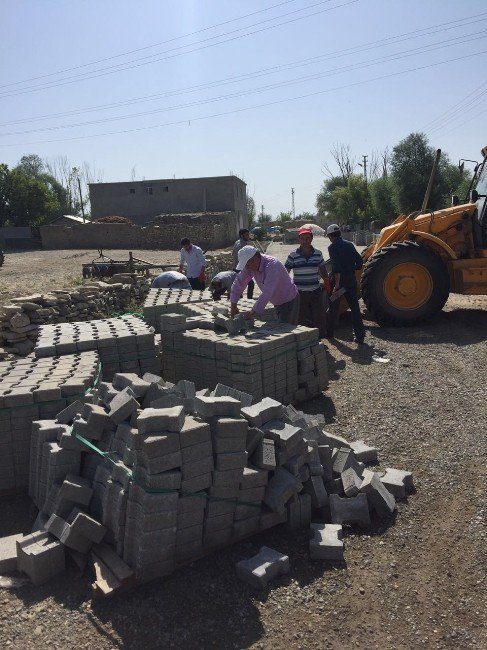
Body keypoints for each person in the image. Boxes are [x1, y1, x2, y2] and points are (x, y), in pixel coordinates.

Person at [230, 246, 300, 324]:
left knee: (286, 327)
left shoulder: (272, 265)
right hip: (277, 301)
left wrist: (252, 312)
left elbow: (267, 292)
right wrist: (233, 304)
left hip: (289, 300)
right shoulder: (250, 266)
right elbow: (239, 282)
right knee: (279, 325)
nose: (246, 267)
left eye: (247, 264)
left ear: (255, 259)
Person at [285, 226, 329, 337]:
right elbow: (286, 273)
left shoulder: (318, 254)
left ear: (311, 239)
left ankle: (320, 340)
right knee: (299, 317)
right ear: (299, 239)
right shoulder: (293, 255)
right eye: (303, 238)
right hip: (299, 293)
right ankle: (301, 341)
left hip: (316, 292)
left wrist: (327, 282)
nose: (305, 241)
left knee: (319, 317)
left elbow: (323, 270)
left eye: (307, 238)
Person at [326, 223, 366, 344]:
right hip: (350, 281)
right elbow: (359, 262)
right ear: (339, 233)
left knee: (333, 308)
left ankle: (330, 334)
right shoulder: (349, 245)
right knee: (354, 308)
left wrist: (337, 285)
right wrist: (350, 269)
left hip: (339, 283)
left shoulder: (332, 248)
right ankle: (360, 336)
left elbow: (336, 267)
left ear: (330, 236)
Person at [232, 228, 255, 299]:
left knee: (240, 283)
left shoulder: (237, 242)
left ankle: (239, 297)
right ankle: (249, 299)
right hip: (240, 267)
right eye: (247, 235)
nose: (248, 236)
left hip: (237, 267)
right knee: (250, 283)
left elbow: (233, 254)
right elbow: (241, 257)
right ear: (242, 236)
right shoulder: (241, 245)